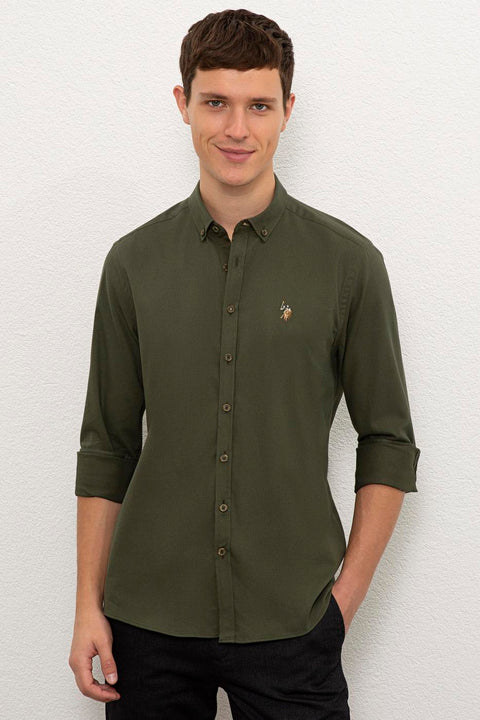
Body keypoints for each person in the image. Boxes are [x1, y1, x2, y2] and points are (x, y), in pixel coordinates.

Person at [69, 8, 421, 719]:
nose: (237, 128)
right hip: (147, 622)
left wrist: (341, 607)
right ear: (183, 104)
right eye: (216, 102)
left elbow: (389, 441)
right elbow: (107, 446)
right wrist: (87, 607)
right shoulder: (132, 264)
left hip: (294, 619)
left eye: (258, 105)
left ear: (288, 109)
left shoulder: (348, 264)